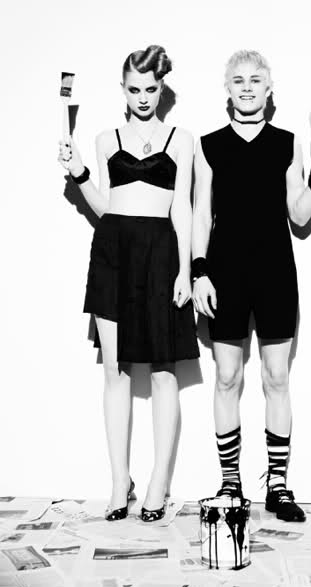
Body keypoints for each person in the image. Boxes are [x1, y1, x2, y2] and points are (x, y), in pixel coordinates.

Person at [58, 45, 199, 522]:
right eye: (134, 89)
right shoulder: (105, 139)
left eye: (151, 89)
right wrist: (79, 172)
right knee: (115, 371)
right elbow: (106, 206)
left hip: (161, 255)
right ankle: (120, 481)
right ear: (123, 89)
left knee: (163, 372)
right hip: (113, 253)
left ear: (161, 89)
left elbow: (183, 208)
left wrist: (184, 270)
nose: (142, 97)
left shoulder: (182, 139)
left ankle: (159, 482)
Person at [192, 50, 311, 522]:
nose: (247, 87)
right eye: (239, 80)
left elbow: (299, 214)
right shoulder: (208, 146)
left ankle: (277, 485)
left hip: (275, 272)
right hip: (225, 274)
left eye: (256, 80)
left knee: (276, 378)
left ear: (269, 90)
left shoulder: (288, 143)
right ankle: (230, 483)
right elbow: (200, 214)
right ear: (227, 89)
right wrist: (199, 272)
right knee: (226, 378)